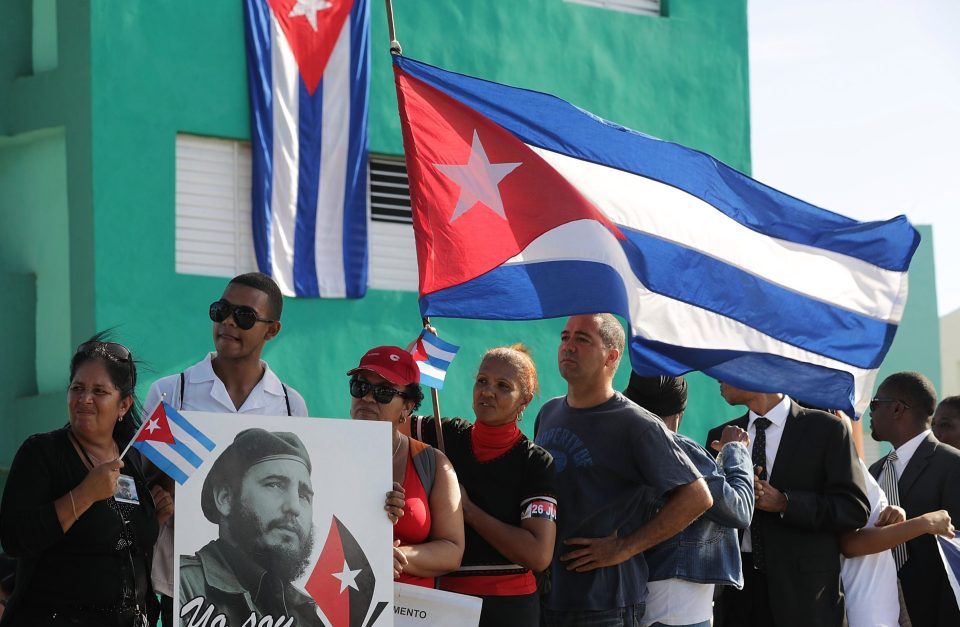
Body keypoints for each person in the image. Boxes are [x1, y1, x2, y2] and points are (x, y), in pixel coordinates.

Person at [145, 271, 308, 625]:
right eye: (221, 310)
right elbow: (147, 481)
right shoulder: (170, 392)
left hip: (265, 592)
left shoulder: (291, 404)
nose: (228, 322)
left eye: (244, 316)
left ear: (272, 329)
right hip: (184, 585)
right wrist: (165, 496)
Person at [534, 314, 713, 627]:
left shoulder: (636, 424)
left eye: (582, 339)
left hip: (605, 606)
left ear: (612, 356)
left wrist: (624, 547)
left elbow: (697, 496)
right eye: (565, 337)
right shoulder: (549, 411)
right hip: (547, 597)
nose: (568, 347)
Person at [0, 337, 162, 626]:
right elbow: (16, 539)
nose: (84, 399)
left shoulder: (131, 458)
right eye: (77, 388)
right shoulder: (42, 453)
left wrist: (155, 515)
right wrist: (85, 495)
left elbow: (123, 540)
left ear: (123, 404)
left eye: (99, 391)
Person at [409, 344, 557, 627]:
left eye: (503, 386)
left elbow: (538, 555)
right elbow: (388, 419)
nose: (488, 391)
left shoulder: (535, 462)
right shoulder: (445, 434)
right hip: (442, 603)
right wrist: (411, 358)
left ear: (524, 400)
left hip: (508, 610)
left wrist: (468, 510)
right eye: (482, 381)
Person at [705, 383, 870, 627]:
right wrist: (736, 490)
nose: (718, 377)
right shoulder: (721, 436)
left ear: (759, 371)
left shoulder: (827, 429)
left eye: (731, 365)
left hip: (805, 598)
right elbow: (709, 509)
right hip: (737, 594)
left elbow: (853, 508)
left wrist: (785, 503)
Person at [623, 374, 753, 627]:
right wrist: (735, 451)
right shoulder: (680, 449)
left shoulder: (621, 445)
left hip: (633, 584)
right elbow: (739, 508)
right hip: (678, 598)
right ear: (678, 414)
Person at [179, 428, 323, 627]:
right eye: (275, 485)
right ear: (225, 498)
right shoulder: (183, 583)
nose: (294, 507)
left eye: (304, 495)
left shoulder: (304, 613)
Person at [347, 345, 464, 587]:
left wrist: (391, 556)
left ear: (408, 407)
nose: (367, 397)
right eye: (361, 386)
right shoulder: (322, 452)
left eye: (383, 392)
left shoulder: (432, 463)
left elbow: (452, 550)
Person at [867, 372, 960, 626]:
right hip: (881, 612)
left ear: (897, 409)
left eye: (875, 404)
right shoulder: (873, 472)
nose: (869, 413)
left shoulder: (952, 465)